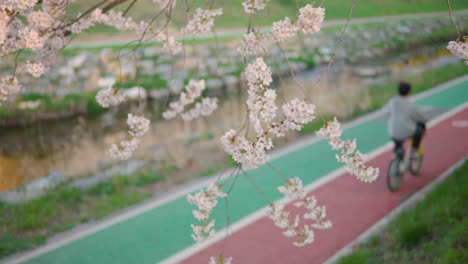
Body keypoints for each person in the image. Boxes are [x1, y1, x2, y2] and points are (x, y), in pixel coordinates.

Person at [384, 82, 427, 160]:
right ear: (409, 92)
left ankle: (396, 152)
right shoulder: (410, 103)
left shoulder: (392, 101)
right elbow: (419, 117)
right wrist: (424, 120)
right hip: (406, 131)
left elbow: (385, 113)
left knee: (397, 138)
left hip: (393, 131)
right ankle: (414, 152)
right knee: (419, 129)